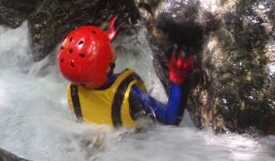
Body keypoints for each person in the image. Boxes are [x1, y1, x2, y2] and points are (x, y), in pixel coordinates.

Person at [57, 20, 195, 129]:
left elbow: (87, 65)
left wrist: (101, 42)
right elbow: (169, 119)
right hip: (134, 144)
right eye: (106, 46)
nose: (108, 43)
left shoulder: (74, 89)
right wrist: (177, 78)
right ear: (106, 67)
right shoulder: (128, 95)